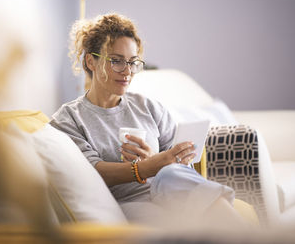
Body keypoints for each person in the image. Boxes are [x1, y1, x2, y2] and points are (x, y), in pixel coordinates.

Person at [50, 13, 244, 229]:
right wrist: (148, 167)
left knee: (171, 174)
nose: (127, 71)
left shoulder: (149, 107)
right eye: (116, 61)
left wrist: (158, 160)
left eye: (133, 63)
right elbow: (92, 172)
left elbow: (180, 169)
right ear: (90, 61)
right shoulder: (69, 119)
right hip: (129, 202)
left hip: (171, 191)